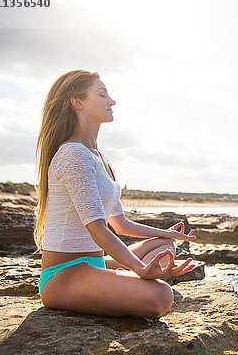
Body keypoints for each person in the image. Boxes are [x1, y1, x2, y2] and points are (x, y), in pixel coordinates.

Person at [34, 69, 197, 317]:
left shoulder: (100, 159)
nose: (112, 101)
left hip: (95, 265)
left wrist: (166, 232)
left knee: (165, 245)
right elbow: (98, 228)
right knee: (161, 296)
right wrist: (141, 269)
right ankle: (127, 282)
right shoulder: (73, 154)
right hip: (64, 274)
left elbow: (119, 224)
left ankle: (119, 281)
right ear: (77, 102)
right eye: (102, 94)